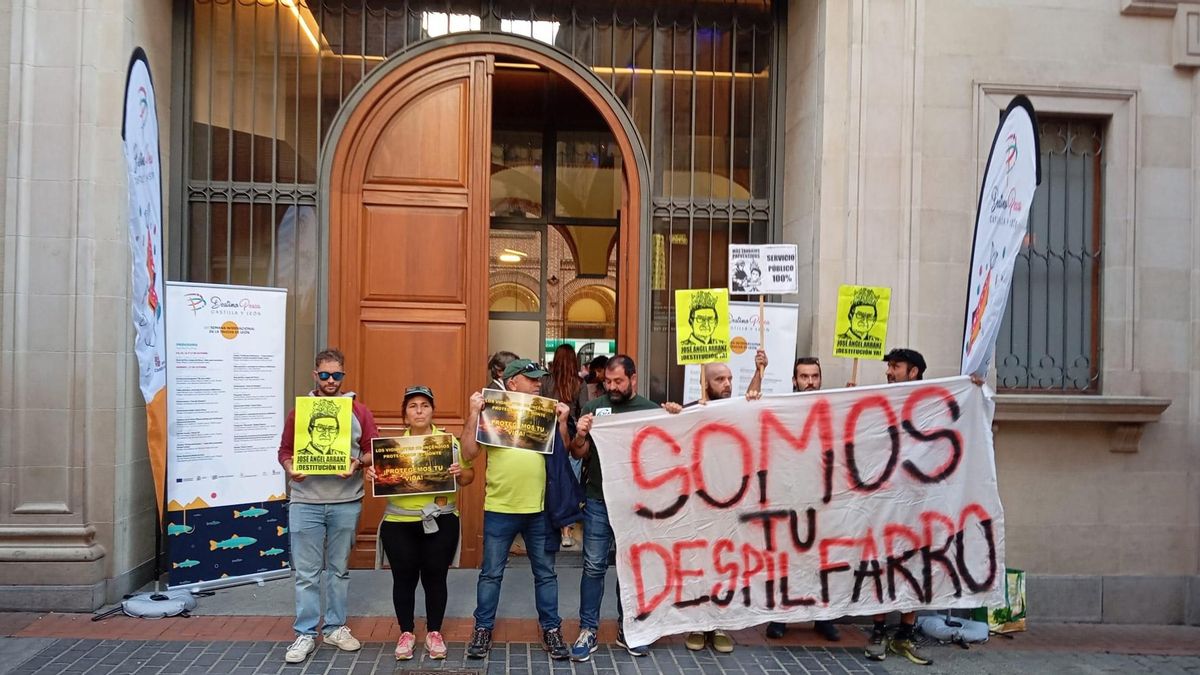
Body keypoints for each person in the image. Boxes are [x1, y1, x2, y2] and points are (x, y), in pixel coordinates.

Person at [462, 359, 573, 661]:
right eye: (531, 379)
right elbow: (469, 453)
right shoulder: (491, 409)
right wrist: (473, 413)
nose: (538, 384)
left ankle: (551, 629)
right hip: (500, 507)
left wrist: (562, 422)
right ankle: (482, 628)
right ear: (512, 383)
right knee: (491, 574)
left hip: (538, 508)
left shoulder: (543, 411)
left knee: (546, 574)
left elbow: (561, 451)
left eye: (539, 379)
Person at [277, 349, 378, 664]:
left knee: (338, 570)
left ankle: (335, 628)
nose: (331, 380)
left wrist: (358, 464)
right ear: (315, 375)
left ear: (343, 376)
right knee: (306, 573)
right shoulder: (299, 413)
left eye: (337, 375)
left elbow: (373, 450)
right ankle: (305, 633)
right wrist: (291, 467)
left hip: (346, 502)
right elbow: (284, 450)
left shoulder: (359, 412)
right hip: (305, 501)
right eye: (325, 375)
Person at [660, 359, 761, 654]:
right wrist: (673, 416)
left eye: (730, 379)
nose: (727, 385)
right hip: (697, 504)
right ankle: (696, 623)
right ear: (706, 383)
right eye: (720, 380)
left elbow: (751, 406)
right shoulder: (691, 410)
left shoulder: (736, 409)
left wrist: (757, 372)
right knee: (698, 564)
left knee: (725, 563)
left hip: (730, 504)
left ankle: (719, 624)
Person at [370, 385, 475, 661]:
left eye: (425, 405)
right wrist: (374, 472)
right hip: (399, 522)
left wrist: (459, 471)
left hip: (440, 520)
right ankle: (406, 631)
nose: (419, 410)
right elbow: (381, 480)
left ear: (432, 411)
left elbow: (469, 476)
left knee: (435, 575)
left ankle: (434, 632)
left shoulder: (449, 443)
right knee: (403, 577)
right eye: (413, 406)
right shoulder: (391, 448)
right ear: (405, 414)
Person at [568, 355, 661, 662]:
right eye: (608, 381)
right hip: (598, 499)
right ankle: (588, 630)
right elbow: (578, 453)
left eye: (618, 381)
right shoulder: (594, 408)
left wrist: (672, 417)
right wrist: (580, 434)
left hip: (636, 503)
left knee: (632, 568)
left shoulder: (650, 410)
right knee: (593, 566)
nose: (611, 386)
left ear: (633, 379)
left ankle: (630, 629)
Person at [763, 354, 841, 643]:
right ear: (794, 381)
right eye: (804, 377)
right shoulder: (784, 410)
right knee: (787, 557)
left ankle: (823, 616)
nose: (810, 382)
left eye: (815, 377)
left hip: (824, 496)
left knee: (822, 558)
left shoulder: (834, 406)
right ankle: (782, 615)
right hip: (790, 494)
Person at [864, 348, 931, 666]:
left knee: (912, 563)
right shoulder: (878, 401)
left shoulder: (931, 404)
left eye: (896, 367)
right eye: (889, 366)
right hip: (881, 499)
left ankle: (905, 632)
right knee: (879, 562)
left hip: (915, 502)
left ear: (913, 372)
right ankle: (878, 631)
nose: (889, 372)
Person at [543, 344, 587, 548]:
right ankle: (567, 531)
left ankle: (550, 523)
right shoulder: (579, 383)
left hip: (547, 438)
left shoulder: (545, 381)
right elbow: (584, 411)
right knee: (570, 483)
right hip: (569, 437)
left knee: (551, 480)